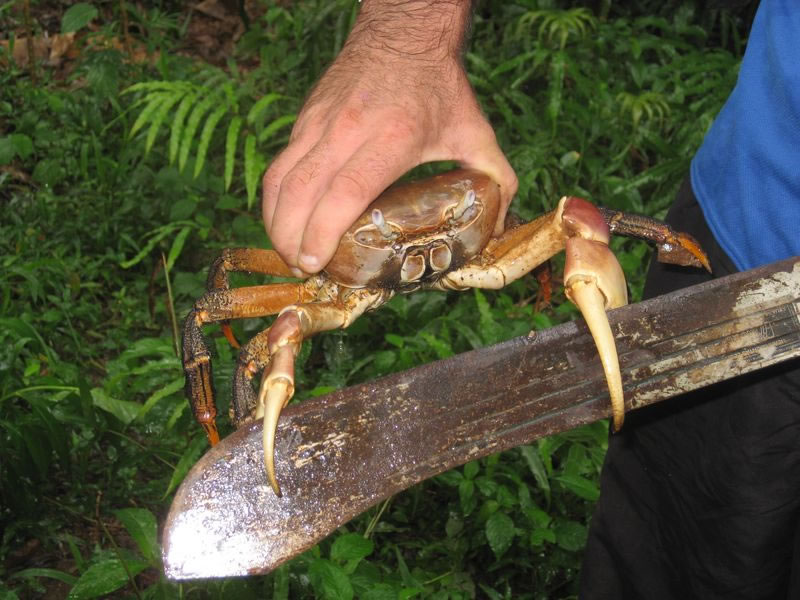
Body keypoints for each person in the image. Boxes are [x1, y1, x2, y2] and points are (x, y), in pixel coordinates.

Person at [261, 1, 800, 597]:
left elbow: (572, 223)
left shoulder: (493, 227)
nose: (426, 250)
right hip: (759, 241)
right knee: (688, 555)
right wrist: (406, 42)